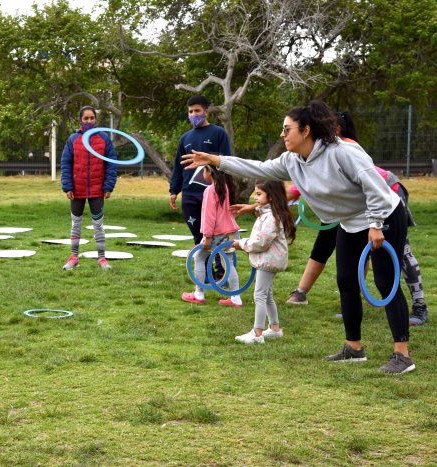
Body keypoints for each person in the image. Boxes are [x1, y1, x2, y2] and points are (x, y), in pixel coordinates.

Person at [182, 100, 415, 374]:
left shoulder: (343, 152)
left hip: (384, 214)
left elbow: (375, 186)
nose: (283, 135)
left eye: (287, 129)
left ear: (306, 131)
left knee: (385, 281)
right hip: (350, 221)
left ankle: (402, 355)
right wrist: (217, 160)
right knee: (346, 281)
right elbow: (258, 168)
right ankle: (354, 348)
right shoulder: (292, 160)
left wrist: (375, 224)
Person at [284, 111, 428, 326]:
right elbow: (302, 182)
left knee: (400, 254)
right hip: (349, 206)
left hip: (388, 193)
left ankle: (419, 305)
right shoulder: (309, 154)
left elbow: (371, 187)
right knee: (333, 248)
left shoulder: (342, 147)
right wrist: (263, 202)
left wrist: (376, 223)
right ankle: (335, 300)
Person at [169, 95, 231, 302]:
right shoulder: (185, 138)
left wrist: (225, 192)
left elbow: (227, 163)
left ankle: (221, 271)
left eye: (197, 110)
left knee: (218, 236)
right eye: (190, 112)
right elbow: (178, 166)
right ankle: (202, 278)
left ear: (206, 111)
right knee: (199, 238)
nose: (194, 115)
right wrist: (173, 190)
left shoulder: (219, 133)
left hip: (214, 195)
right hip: (190, 195)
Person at [230, 180, 295, 343]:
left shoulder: (271, 217)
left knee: (259, 295)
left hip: (269, 261)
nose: (255, 197)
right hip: (268, 260)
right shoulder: (266, 214)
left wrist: (242, 244)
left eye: (259, 194)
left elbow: (261, 242)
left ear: (271, 197)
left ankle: (257, 333)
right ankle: (275, 328)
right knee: (267, 295)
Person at [60, 106, 117, 270]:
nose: (89, 121)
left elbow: (111, 164)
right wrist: (67, 186)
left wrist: (108, 186)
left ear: (96, 120)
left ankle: (101, 258)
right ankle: (73, 257)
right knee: (75, 223)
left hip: (97, 190)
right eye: (86, 118)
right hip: (77, 189)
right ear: (80, 120)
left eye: (92, 118)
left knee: (98, 224)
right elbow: (65, 164)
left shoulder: (104, 139)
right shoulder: (72, 140)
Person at [184, 164, 243, 306]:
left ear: (209, 171)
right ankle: (236, 298)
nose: (203, 174)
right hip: (229, 232)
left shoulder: (210, 190)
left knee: (198, 257)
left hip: (216, 233)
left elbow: (209, 215)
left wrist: (207, 236)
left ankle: (199, 294)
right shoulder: (226, 188)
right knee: (228, 263)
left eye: (204, 170)